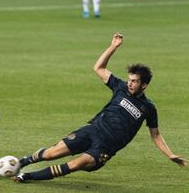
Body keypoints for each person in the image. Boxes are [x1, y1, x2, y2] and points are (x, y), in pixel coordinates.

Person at [14, 33, 187, 182]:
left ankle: (28, 177)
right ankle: (22, 162)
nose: (130, 83)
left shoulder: (148, 108)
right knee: (51, 153)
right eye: (129, 79)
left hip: (106, 146)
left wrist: (170, 154)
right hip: (93, 130)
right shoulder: (120, 87)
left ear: (144, 85)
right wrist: (113, 46)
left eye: (134, 81)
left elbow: (155, 135)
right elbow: (99, 68)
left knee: (76, 164)